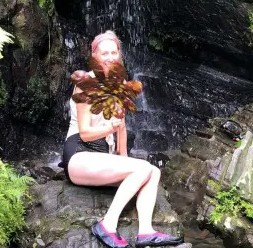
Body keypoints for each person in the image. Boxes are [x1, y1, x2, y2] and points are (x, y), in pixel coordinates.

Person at [62, 30, 183, 248]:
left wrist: (126, 161)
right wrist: (111, 126)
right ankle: (107, 225)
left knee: (152, 171)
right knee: (143, 168)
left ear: (119, 55)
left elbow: (122, 129)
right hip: (80, 153)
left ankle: (145, 232)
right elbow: (86, 132)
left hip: (102, 158)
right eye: (104, 53)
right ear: (94, 56)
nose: (109, 57)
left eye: (113, 52)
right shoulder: (85, 84)